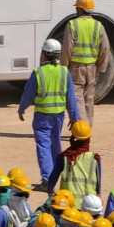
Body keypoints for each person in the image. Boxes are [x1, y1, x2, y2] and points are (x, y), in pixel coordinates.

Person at [18, 39, 80, 187]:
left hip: (42, 116)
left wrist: (22, 109)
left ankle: (47, 178)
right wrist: (74, 117)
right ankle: (56, 174)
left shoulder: (38, 73)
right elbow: (71, 96)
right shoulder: (64, 72)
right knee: (55, 144)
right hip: (58, 115)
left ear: (45, 54)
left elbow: (28, 93)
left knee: (43, 146)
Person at [60, 0, 109, 124]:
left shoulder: (72, 24)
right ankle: (88, 129)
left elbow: (67, 49)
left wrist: (63, 68)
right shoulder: (98, 26)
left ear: (80, 9)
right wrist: (101, 67)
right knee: (89, 99)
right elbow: (105, 49)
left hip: (76, 68)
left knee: (77, 99)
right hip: (92, 68)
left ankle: (82, 129)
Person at [48, 120, 101, 205]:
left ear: (73, 137)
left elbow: (53, 178)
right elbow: (98, 183)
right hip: (89, 205)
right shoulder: (95, 159)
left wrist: (50, 192)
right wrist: (98, 197)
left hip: (67, 204)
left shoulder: (64, 157)